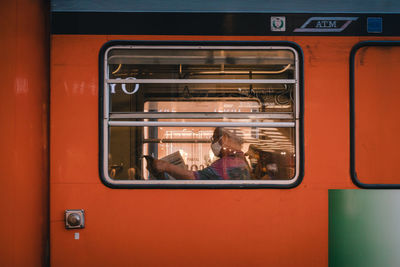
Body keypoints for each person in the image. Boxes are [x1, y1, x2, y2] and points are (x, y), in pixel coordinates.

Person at [147, 127, 250, 180]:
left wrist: (166, 166)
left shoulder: (226, 164)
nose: (213, 143)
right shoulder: (241, 161)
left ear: (224, 138)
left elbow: (194, 177)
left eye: (214, 138)